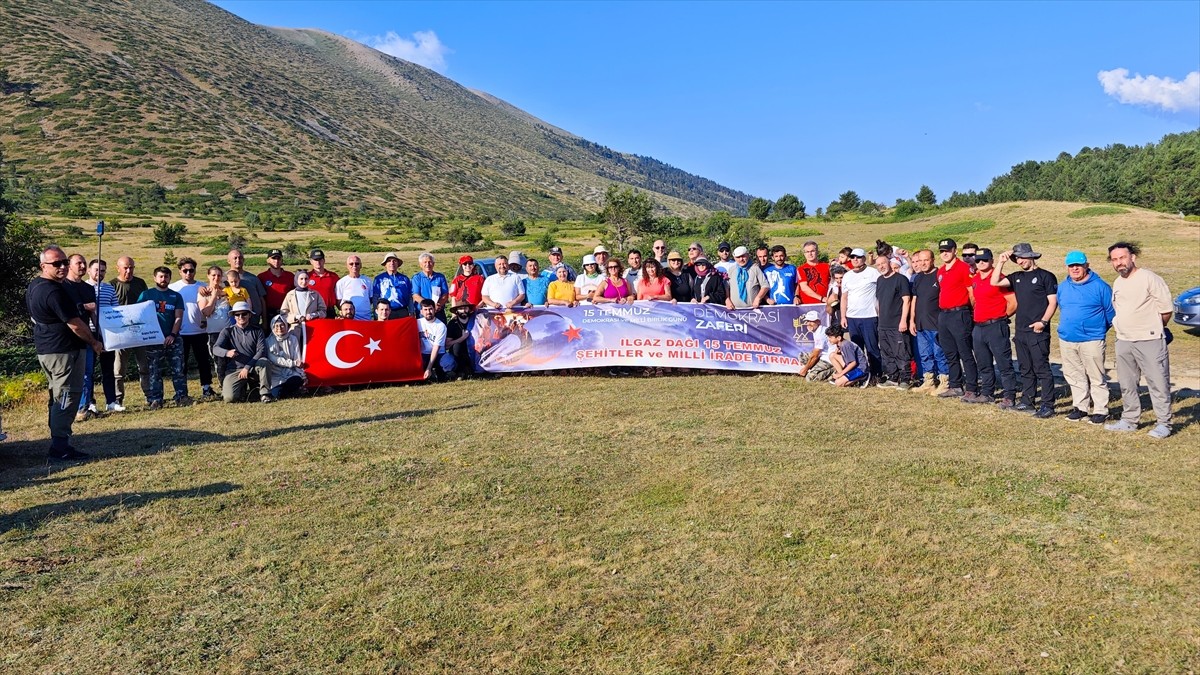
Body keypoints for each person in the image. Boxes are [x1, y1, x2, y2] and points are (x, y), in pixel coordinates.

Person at [27, 245, 105, 460]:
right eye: (56, 264)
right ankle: (60, 447)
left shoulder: (36, 285)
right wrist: (94, 342)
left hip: (49, 349)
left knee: (57, 394)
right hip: (64, 351)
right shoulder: (52, 291)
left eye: (64, 262)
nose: (62, 266)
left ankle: (58, 439)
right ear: (43, 266)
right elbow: (75, 324)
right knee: (66, 396)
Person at [1104, 242, 1174, 439]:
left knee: (1157, 382)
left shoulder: (1149, 278)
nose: (1119, 263)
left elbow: (1166, 310)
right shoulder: (1118, 282)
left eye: (1122, 258)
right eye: (1115, 260)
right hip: (1124, 340)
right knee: (1127, 383)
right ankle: (1129, 420)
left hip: (1149, 340)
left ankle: (1164, 424)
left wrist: (1152, 327)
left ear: (1132, 257)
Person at [992, 244, 1058, 416]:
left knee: (1041, 368)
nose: (1020, 261)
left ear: (1031, 256)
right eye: (1017, 258)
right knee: (1025, 368)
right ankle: (1028, 401)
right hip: (1020, 331)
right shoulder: (1016, 277)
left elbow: (1053, 302)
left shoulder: (1046, 276)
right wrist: (1001, 262)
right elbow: (995, 281)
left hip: (1037, 331)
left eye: (1022, 257)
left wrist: (1043, 322)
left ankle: (1047, 405)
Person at [1056, 251, 1114, 424]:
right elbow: (1062, 307)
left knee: (1096, 375)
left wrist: (1097, 330)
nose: (1075, 269)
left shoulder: (1100, 286)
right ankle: (1080, 407)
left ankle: (1100, 410)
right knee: (1074, 374)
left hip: (1092, 339)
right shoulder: (1063, 286)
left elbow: (1111, 313)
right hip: (1067, 338)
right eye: (1071, 266)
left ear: (1086, 266)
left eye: (1078, 265)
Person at [966, 249, 1016, 407]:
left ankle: (1009, 395)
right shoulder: (975, 279)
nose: (981, 263)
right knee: (983, 362)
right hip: (979, 326)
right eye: (978, 260)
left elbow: (1013, 303)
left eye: (985, 260)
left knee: (1003, 362)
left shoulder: (999, 278)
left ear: (991, 261)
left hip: (995, 325)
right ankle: (987, 393)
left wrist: (1001, 317)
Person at [138, 266, 188, 409]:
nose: (163, 279)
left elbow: (178, 317)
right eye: (160, 276)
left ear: (169, 278)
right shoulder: (146, 295)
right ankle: (156, 399)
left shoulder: (176, 296)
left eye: (166, 277)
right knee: (154, 371)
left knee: (178, 369)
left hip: (173, 338)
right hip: (153, 339)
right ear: (154, 278)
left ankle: (181, 396)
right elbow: (138, 315)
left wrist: (172, 334)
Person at [935, 238, 978, 400]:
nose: (944, 253)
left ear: (954, 251)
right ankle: (955, 385)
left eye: (947, 250)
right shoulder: (940, 271)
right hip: (944, 314)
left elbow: (971, 293)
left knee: (965, 352)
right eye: (942, 251)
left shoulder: (963, 268)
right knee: (950, 352)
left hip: (960, 313)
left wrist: (967, 311)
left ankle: (972, 388)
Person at [170, 257, 216, 399]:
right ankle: (181, 391)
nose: (188, 273)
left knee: (203, 361)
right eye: (185, 270)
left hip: (200, 331)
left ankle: (207, 388)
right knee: (180, 364)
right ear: (180, 271)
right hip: (180, 332)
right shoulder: (173, 288)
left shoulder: (202, 287)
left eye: (191, 270)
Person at [908, 249, 949, 395]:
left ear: (932, 260)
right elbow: (914, 299)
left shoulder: (939, 276)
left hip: (936, 322)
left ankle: (945, 382)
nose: (923, 263)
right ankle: (929, 382)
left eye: (926, 260)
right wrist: (912, 320)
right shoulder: (918, 278)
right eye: (920, 260)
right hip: (920, 323)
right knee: (925, 354)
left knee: (939, 353)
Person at [213, 302, 271, 403]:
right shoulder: (227, 331)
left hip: (253, 367)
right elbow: (215, 348)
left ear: (249, 315)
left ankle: (265, 394)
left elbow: (261, 351)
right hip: (234, 369)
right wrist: (227, 352)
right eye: (237, 314)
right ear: (234, 316)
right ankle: (243, 391)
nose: (241, 317)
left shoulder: (257, 330)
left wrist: (247, 367)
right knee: (229, 398)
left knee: (264, 362)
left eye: (244, 313)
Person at [110, 255, 148, 407]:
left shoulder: (140, 283)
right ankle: (118, 398)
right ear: (118, 268)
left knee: (144, 366)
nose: (128, 270)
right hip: (121, 334)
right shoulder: (112, 285)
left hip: (140, 331)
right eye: (125, 267)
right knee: (119, 369)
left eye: (131, 267)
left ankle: (149, 395)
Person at [84, 258, 120, 413]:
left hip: (106, 333)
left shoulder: (109, 289)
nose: (100, 273)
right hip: (89, 333)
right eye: (97, 270)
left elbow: (116, 309)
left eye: (103, 270)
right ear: (89, 271)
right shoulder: (83, 288)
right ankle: (90, 402)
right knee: (88, 371)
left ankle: (111, 401)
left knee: (108, 369)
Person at [63, 255, 97, 421]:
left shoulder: (89, 288)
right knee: (69, 376)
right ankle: (68, 408)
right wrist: (83, 306)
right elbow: (63, 310)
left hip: (86, 337)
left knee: (87, 373)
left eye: (84, 263)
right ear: (69, 266)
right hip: (66, 338)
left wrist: (98, 334)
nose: (83, 266)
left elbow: (93, 314)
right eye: (79, 263)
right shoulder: (62, 287)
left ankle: (83, 408)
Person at [840, 248, 882, 380]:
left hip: (869, 316)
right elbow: (844, 297)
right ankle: (861, 374)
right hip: (852, 318)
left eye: (858, 257)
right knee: (857, 348)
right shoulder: (847, 276)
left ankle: (877, 374)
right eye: (852, 257)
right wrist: (843, 316)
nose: (855, 260)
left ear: (864, 258)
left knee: (872, 348)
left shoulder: (873, 273)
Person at [874, 252, 912, 389]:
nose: (881, 267)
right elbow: (878, 301)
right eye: (878, 265)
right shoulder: (880, 280)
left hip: (897, 324)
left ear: (889, 263)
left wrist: (903, 321)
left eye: (883, 263)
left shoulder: (900, 279)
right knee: (887, 353)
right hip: (883, 324)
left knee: (901, 352)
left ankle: (906, 379)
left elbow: (906, 300)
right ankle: (893, 377)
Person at [198, 265, 231, 385]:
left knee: (232, 360)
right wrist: (213, 297)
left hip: (229, 331)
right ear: (208, 276)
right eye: (213, 275)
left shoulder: (227, 291)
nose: (216, 278)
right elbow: (206, 312)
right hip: (214, 333)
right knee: (219, 361)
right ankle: (224, 385)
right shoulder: (204, 293)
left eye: (218, 275)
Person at [265, 314, 306, 400]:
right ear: (272, 327)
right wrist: (293, 363)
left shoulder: (293, 339)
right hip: (275, 374)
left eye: (282, 325)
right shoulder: (268, 341)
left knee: (297, 380)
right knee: (276, 394)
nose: (279, 328)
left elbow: (297, 357)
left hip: (290, 373)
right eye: (276, 326)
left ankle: (292, 389)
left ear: (286, 325)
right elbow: (275, 360)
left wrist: (302, 375)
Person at [417, 298, 455, 381]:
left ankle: (444, 374)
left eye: (430, 309)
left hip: (438, 354)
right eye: (425, 309)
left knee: (449, 361)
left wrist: (428, 368)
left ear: (435, 310)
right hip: (422, 354)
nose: (428, 312)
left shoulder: (440, 326)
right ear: (421, 312)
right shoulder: (417, 323)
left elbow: (436, 348)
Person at [227, 249, 267, 326]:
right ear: (229, 261)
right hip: (232, 322)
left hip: (253, 321)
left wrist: (265, 322)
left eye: (240, 258)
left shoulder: (253, 278)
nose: (238, 260)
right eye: (235, 258)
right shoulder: (224, 279)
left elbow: (262, 300)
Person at [258, 249, 295, 326]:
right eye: (273, 258)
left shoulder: (290, 276)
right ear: (268, 260)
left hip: (287, 313)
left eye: (278, 258)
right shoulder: (262, 277)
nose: (276, 261)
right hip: (269, 314)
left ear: (282, 260)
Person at [797, 310, 835, 382]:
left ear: (818, 322)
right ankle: (816, 369)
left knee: (810, 379)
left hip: (828, 359)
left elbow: (815, 355)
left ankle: (834, 371)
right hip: (822, 356)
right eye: (807, 321)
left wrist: (805, 369)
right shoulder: (817, 330)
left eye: (812, 321)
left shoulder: (820, 333)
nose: (809, 323)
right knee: (802, 356)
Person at [444, 297, 476, 379]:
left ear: (469, 309)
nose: (464, 311)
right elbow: (447, 345)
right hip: (460, 352)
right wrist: (462, 338)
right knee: (456, 346)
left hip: (475, 349)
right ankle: (460, 371)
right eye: (461, 308)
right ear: (456, 311)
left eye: (465, 308)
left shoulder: (475, 320)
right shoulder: (452, 324)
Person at [372, 252, 411, 318]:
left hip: (402, 311)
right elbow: (375, 297)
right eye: (389, 261)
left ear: (398, 264)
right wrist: (377, 312)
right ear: (385, 264)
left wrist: (411, 311)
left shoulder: (405, 279)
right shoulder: (379, 279)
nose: (392, 263)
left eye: (394, 261)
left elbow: (410, 297)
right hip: (385, 312)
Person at [411, 252, 449, 317]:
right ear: (420, 264)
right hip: (423, 312)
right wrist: (429, 306)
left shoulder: (440, 277)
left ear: (433, 264)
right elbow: (415, 295)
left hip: (438, 311)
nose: (427, 264)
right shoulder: (416, 278)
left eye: (430, 262)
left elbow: (445, 294)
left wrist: (438, 305)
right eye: (425, 262)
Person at [336, 255, 373, 319]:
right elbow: (339, 301)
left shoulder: (368, 281)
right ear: (347, 266)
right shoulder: (341, 282)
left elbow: (370, 299)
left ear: (361, 265)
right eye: (351, 264)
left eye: (357, 263)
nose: (354, 265)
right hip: (349, 318)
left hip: (365, 318)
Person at [306, 249, 339, 318]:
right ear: (311, 261)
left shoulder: (333, 276)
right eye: (315, 260)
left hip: (329, 311)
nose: (318, 262)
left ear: (324, 260)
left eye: (320, 259)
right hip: (313, 311)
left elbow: (338, 294)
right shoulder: (307, 277)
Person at [798, 241, 831, 305]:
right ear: (804, 254)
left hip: (825, 304)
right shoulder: (801, 269)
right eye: (807, 252)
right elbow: (804, 287)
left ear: (817, 252)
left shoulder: (827, 266)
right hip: (808, 304)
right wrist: (821, 298)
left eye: (812, 251)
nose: (810, 254)